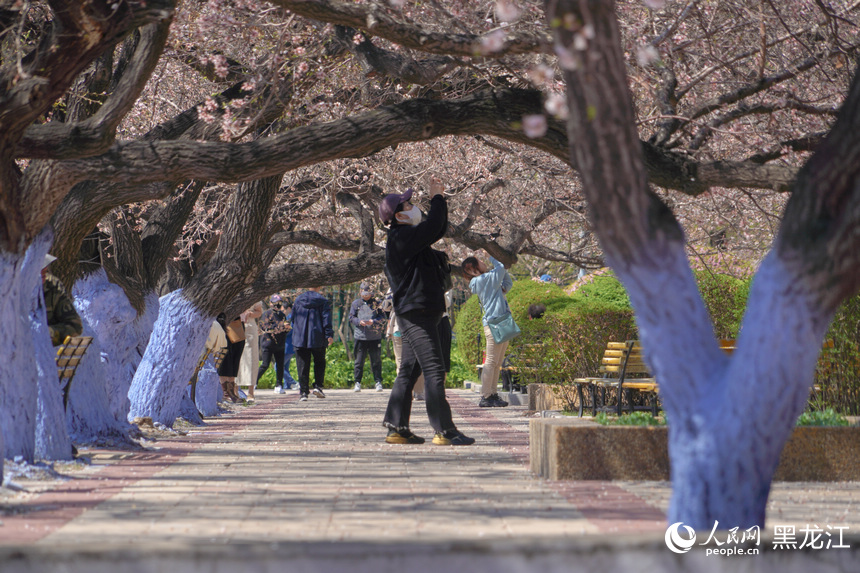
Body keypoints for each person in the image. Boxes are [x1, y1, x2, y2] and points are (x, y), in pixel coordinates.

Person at [379, 179, 474, 446]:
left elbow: (436, 231)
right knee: (434, 368)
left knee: (409, 370)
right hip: (417, 313)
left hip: (421, 312)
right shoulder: (401, 237)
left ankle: (397, 427)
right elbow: (435, 226)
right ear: (398, 215)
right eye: (408, 204)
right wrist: (437, 198)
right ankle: (445, 430)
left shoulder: (408, 239)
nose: (413, 206)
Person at [462, 252, 514, 408]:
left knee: (497, 362)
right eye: (480, 261)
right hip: (494, 323)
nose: (483, 262)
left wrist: (501, 275)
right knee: (491, 362)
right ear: (473, 269)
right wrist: (492, 254)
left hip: (502, 322)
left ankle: (492, 394)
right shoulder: (483, 280)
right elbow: (501, 266)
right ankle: (486, 396)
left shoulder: (489, 279)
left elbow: (507, 283)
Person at [291, 286, 334, 401]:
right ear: (319, 287)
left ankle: (303, 392)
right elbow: (326, 319)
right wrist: (329, 334)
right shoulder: (323, 301)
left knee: (302, 365)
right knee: (319, 362)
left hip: (300, 336)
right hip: (317, 336)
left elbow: (293, 318)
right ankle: (318, 386)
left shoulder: (298, 300)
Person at [349, 282, 386, 392]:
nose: (365, 296)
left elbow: (383, 317)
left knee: (376, 360)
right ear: (360, 292)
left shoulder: (377, 303)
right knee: (359, 361)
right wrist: (359, 322)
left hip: (374, 336)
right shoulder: (356, 303)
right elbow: (351, 318)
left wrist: (373, 321)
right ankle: (357, 382)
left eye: (367, 294)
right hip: (360, 336)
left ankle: (378, 382)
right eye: (363, 293)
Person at [41, 254, 83, 346]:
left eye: (45, 266)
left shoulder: (52, 286)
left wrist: (44, 334)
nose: (44, 270)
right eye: (39, 267)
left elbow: (75, 326)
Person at [257, 294, 291, 395]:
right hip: (268, 343)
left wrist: (287, 329)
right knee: (265, 364)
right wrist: (281, 326)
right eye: (275, 303)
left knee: (280, 365)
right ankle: (254, 382)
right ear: (271, 303)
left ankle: (279, 385)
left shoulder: (282, 315)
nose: (277, 305)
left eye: (279, 303)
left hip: (280, 344)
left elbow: (284, 330)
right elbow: (266, 328)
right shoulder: (266, 314)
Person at [236, 301, 263, 402]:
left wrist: (250, 314)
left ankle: (251, 392)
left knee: (251, 358)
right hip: (235, 325)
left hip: (250, 328)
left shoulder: (255, 293)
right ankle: (234, 391)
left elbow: (259, 312)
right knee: (236, 357)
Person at [218, 311, 245, 403]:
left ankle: (231, 391)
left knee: (235, 360)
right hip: (223, 325)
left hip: (237, 325)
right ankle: (225, 393)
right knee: (225, 361)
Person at [282, 299, 299, 390]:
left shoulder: (290, 318)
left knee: (278, 366)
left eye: (283, 310)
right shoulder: (291, 317)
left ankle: (293, 382)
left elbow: (289, 331)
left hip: (288, 346)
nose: (283, 312)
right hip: (289, 346)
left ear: (289, 308)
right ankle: (287, 385)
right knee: (285, 367)